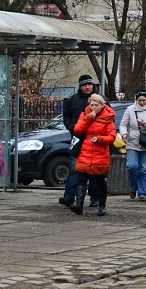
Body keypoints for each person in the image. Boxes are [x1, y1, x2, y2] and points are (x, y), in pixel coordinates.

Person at [71, 93, 116, 216]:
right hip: (85, 150)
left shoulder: (108, 118)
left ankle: (102, 205)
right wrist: (89, 118)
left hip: (100, 153)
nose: (93, 107)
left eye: (96, 105)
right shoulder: (85, 114)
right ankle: (79, 205)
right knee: (81, 178)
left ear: (102, 105)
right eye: (92, 105)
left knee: (100, 181)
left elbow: (112, 137)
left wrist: (100, 139)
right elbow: (77, 129)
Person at [59, 74, 95, 207]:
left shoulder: (100, 99)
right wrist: (72, 128)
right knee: (74, 168)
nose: (87, 87)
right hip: (78, 139)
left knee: (93, 170)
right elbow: (66, 116)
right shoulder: (73, 100)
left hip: (94, 140)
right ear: (80, 86)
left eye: (89, 84)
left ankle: (94, 197)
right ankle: (69, 196)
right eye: (85, 85)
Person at [120, 89, 146, 202]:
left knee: (143, 169)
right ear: (136, 100)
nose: (142, 102)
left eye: (144, 100)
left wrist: (145, 124)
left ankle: (142, 193)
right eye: (139, 100)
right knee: (131, 166)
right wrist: (124, 134)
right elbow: (123, 124)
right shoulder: (130, 109)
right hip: (132, 142)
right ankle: (133, 187)